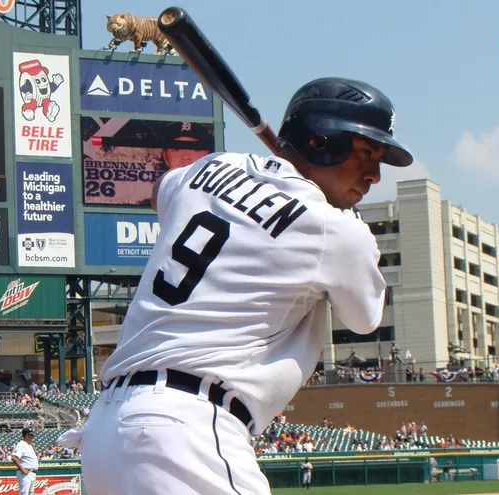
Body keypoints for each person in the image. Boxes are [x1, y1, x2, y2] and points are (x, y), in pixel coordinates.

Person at [67, 76, 414, 495]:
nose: (374, 174)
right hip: (186, 429)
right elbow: (364, 319)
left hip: (106, 429)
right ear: (322, 140)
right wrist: (332, 212)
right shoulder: (336, 230)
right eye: (366, 152)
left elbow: (161, 191)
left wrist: (255, 186)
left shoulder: (207, 168)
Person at [11, 428, 39, 495]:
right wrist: (22, 469)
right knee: (24, 493)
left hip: (31, 473)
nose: (33, 437)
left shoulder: (29, 445)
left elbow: (36, 454)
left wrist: (33, 447)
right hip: (25, 473)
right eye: (31, 435)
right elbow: (14, 457)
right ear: (26, 435)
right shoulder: (21, 444)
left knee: (30, 493)